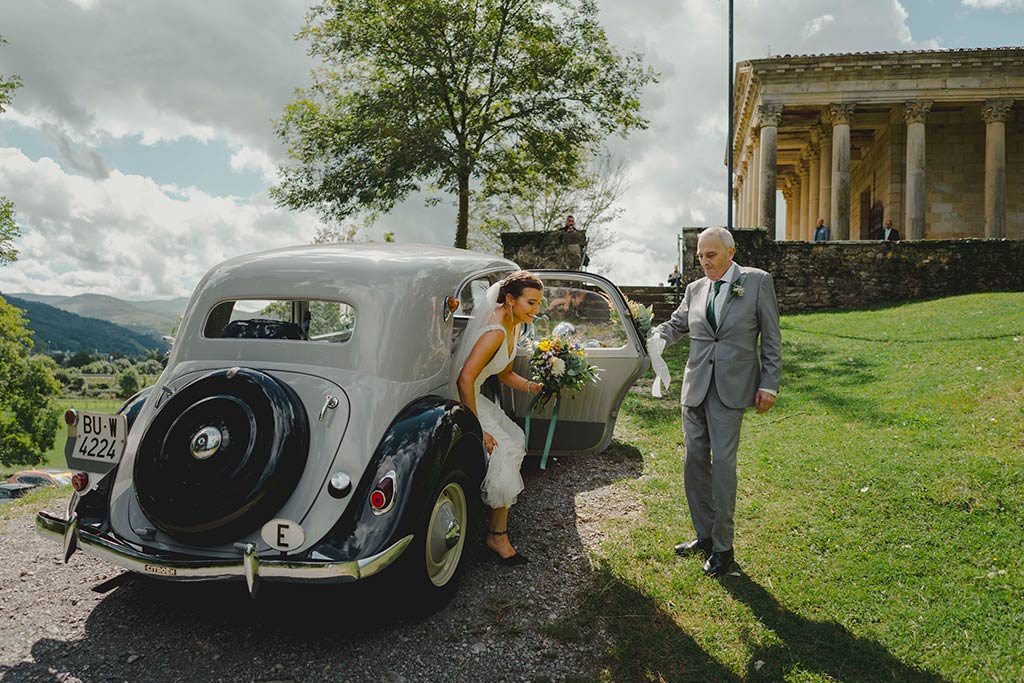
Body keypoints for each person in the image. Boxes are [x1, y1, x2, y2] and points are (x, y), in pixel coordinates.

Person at [647, 227, 782, 577]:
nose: (705, 262)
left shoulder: (757, 282)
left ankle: (724, 548)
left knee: (722, 465)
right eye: (700, 256)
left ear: (730, 252)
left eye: (711, 255)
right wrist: (657, 336)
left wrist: (769, 384)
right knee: (694, 462)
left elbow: (771, 338)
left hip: (731, 389)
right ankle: (704, 535)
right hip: (695, 388)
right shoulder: (694, 289)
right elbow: (676, 324)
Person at [454, 271, 544, 566]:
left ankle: (495, 521)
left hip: (474, 393)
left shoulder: (514, 324)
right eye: (530, 302)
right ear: (509, 299)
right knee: (504, 448)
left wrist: (534, 387)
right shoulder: (495, 331)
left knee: (514, 439)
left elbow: (503, 373)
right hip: (461, 398)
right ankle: (497, 535)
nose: (535, 309)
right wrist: (477, 429)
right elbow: (464, 379)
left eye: (538, 303)